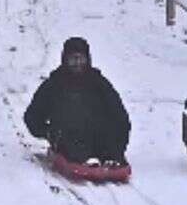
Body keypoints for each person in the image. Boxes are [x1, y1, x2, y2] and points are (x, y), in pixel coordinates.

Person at [24, 37, 131, 167]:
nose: (78, 63)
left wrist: (118, 142)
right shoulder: (55, 84)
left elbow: (118, 113)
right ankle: (85, 159)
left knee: (112, 127)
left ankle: (111, 157)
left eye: (81, 59)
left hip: (96, 136)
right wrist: (48, 133)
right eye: (73, 59)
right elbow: (33, 116)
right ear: (66, 60)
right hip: (67, 137)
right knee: (71, 127)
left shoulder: (98, 82)